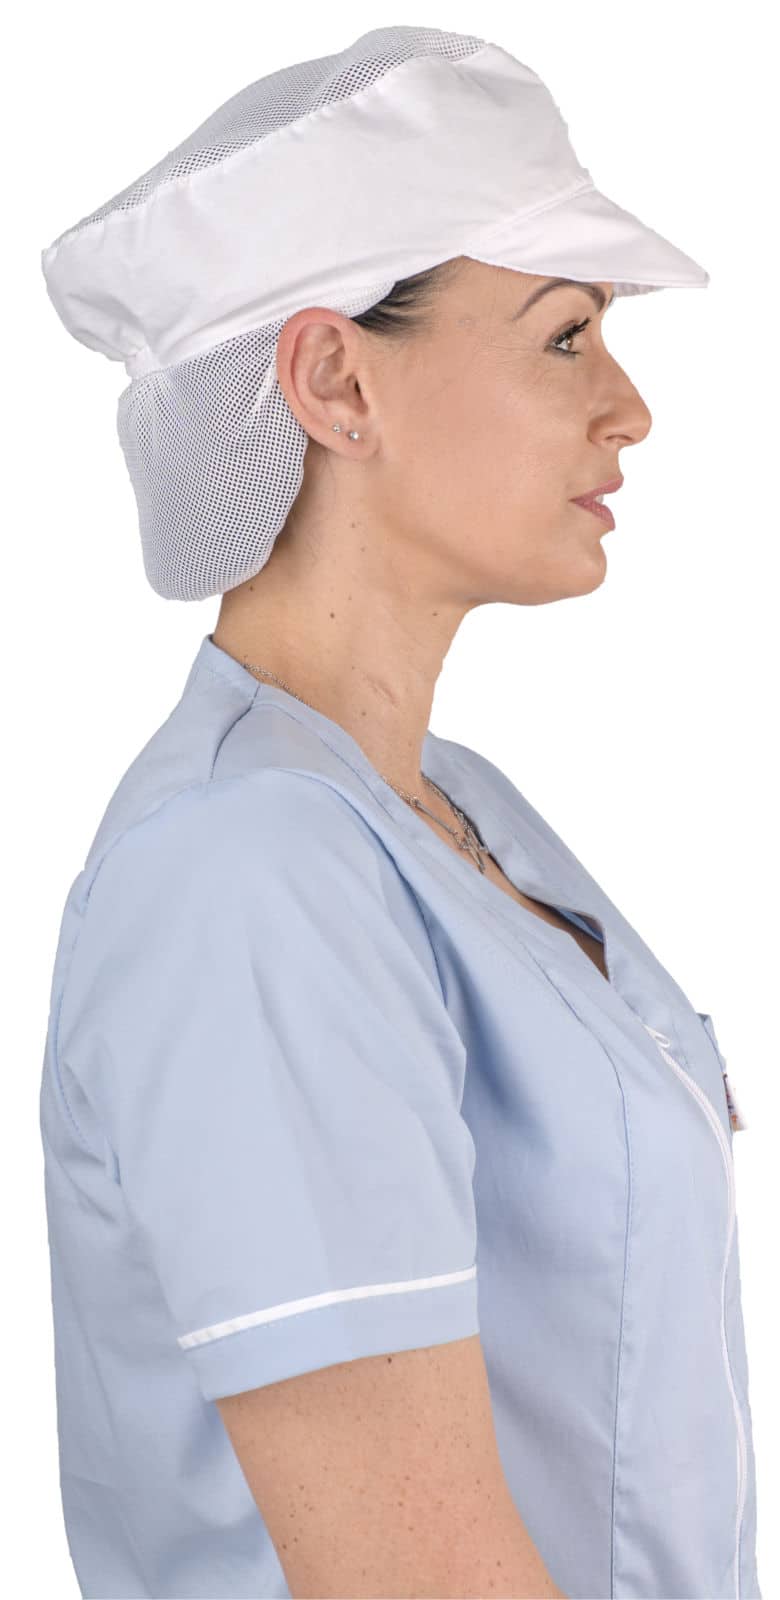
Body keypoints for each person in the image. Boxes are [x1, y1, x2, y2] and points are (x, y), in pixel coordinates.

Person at [38, 26, 760, 1600]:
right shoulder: (247, 875)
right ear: (335, 382)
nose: (629, 408)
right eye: (565, 335)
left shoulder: (452, 812)